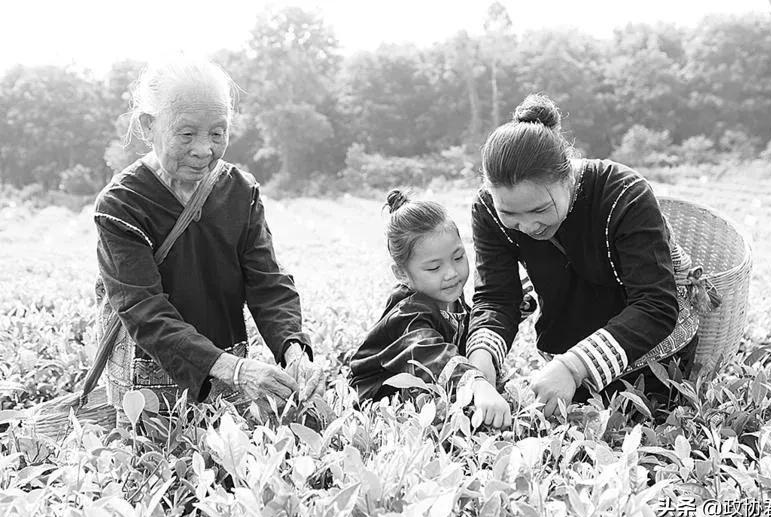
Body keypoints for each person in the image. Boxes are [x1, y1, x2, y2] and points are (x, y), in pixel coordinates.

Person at [93, 56, 322, 423]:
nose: (204, 150)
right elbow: (144, 311)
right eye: (187, 133)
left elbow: (266, 281)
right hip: (150, 379)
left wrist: (293, 347)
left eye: (218, 133)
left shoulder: (240, 190)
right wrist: (236, 370)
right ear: (149, 126)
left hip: (229, 370)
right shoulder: (121, 205)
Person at [466, 93, 702, 417]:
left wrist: (574, 368)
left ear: (567, 178)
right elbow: (495, 297)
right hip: (563, 355)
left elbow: (655, 306)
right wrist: (479, 372)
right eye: (510, 214)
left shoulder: (624, 194)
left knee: (634, 414)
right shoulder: (487, 212)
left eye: (539, 209)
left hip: (649, 352)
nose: (527, 226)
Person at [349, 190, 511, 429]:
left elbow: (466, 331)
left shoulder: (446, 293)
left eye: (458, 257)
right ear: (402, 274)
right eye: (434, 268)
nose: (451, 273)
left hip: (424, 384)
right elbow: (431, 355)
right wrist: (477, 384)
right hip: (380, 398)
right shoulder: (408, 313)